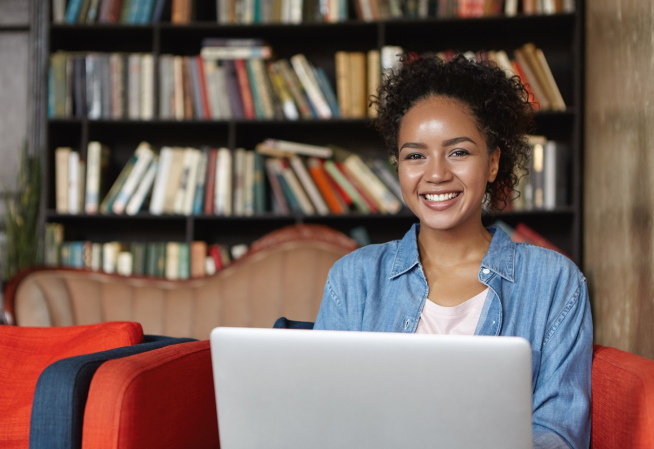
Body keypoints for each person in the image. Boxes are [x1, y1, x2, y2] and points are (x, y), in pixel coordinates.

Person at [314, 54, 592, 449]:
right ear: (399, 168)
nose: (437, 173)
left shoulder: (554, 282)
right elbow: (323, 417)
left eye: (458, 152)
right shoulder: (353, 278)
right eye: (415, 155)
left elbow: (559, 433)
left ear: (493, 162)